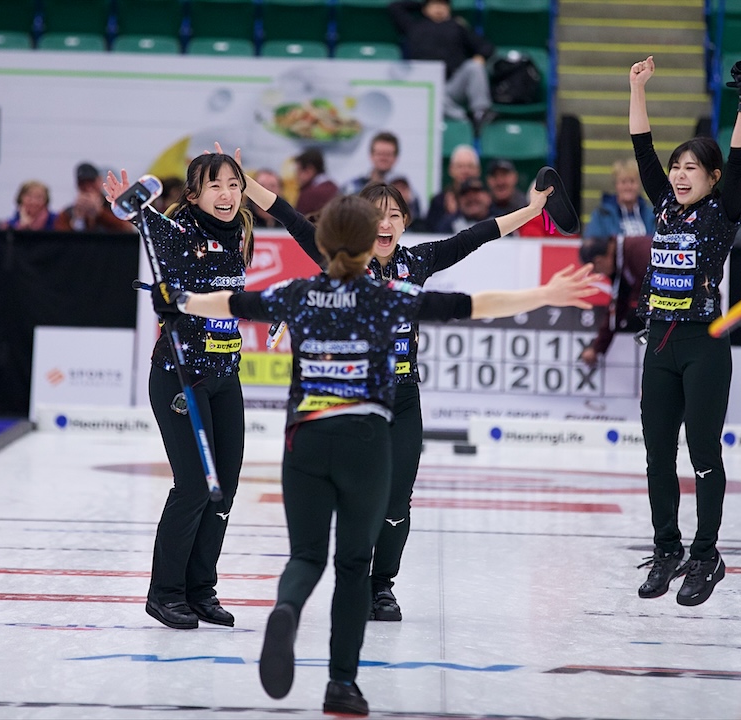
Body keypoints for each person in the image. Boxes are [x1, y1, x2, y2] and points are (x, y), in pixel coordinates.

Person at [154, 193, 596, 716]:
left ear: (321, 244)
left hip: (306, 444)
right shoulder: (389, 296)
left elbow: (230, 304)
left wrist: (176, 300)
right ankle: (342, 683)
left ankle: (288, 608)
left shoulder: (297, 293)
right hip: (365, 443)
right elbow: (475, 306)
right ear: (369, 247)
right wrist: (548, 292)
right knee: (352, 565)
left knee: (306, 557)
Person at [238, 161, 557, 625]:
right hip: (352, 403)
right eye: (375, 214)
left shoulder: (417, 262)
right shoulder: (338, 261)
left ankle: (381, 586)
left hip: (403, 398)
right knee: (353, 499)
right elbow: (288, 216)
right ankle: (352, 578)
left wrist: (531, 212)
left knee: (397, 500)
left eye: (394, 215)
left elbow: (474, 236)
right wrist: (246, 184)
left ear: (405, 222)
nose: (384, 223)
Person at [100, 150, 256, 633]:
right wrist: (128, 206)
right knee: (193, 486)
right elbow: (141, 220)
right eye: (215, 186)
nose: (226, 194)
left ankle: (199, 589)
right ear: (193, 195)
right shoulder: (179, 231)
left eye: (233, 184)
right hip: (179, 379)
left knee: (222, 490)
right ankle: (165, 593)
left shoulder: (239, 234)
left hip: (226, 378)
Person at [628, 55, 741, 606]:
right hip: (659, 341)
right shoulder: (662, 203)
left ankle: (707, 554)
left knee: (703, 450)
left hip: (704, 344)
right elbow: (642, 148)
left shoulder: (724, 213)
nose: (679, 175)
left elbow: (740, 157)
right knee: (658, 452)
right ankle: (668, 549)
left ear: (713, 179)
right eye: (676, 166)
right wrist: (637, 89)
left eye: (691, 168)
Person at [389, 0, 495, 127]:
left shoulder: (457, 27)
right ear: (425, 9)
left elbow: (486, 47)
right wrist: (422, 4)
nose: (439, 8)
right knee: (432, 95)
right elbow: (395, 7)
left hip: (452, 84)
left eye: (443, 5)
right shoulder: (413, 26)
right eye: (435, 5)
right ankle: (464, 120)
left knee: (474, 66)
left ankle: (480, 111)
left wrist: (480, 56)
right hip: (426, 87)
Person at [577, 233, 650, 368]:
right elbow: (617, 309)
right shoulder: (620, 262)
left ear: (599, 261)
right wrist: (597, 348)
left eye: (596, 271)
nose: (600, 275)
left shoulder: (639, 250)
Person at [586, 159, 656, 240]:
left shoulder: (652, 215)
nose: (628, 187)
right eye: (623, 182)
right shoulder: (601, 215)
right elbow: (591, 245)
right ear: (616, 185)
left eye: (632, 181)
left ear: (639, 184)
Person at [58, 162, 130, 233]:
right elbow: (60, 238)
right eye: (83, 184)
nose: (88, 188)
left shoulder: (115, 207)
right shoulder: (68, 213)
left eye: (91, 182)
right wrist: (78, 218)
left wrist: (100, 213)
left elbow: (128, 229)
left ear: (99, 181)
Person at [426, 144, 480, 232]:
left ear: (478, 170)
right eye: (460, 166)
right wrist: (450, 215)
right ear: (451, 169)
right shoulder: (439, 201)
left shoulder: (486, 200)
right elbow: (430, 235)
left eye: (470, 166)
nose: (465, 171)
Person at [293, 148, 339, 216]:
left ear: (309, 170)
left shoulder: (308, 194)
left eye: (298, 170)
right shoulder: (334, 188)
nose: (296, 176)